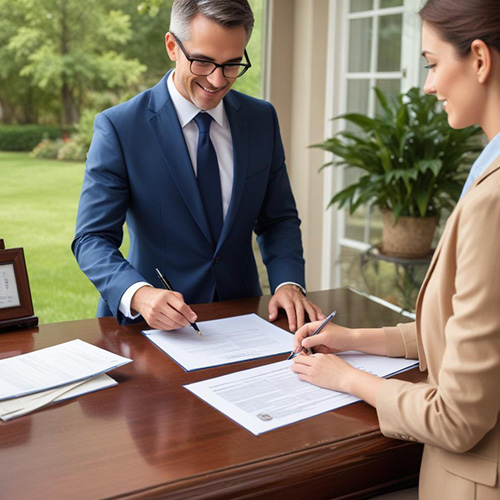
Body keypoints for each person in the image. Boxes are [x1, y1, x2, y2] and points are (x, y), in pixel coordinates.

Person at [291, 0, 500, 498]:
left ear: (478, 58)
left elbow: (456, 419)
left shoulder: (493, 201)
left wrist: (347, 378)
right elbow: (466, 335)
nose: (428, 85)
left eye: (431, 63)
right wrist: (353, 338)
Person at [72, 0, 324, 332]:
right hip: (149, 328)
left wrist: (288, 283)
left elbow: (278, 220)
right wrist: (139, 294)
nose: (218, 80)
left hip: (245, 320)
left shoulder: (262, 119)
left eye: (232, 63)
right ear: (172, 46)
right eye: (203, 61)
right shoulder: (120, 127)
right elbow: (92, 238)